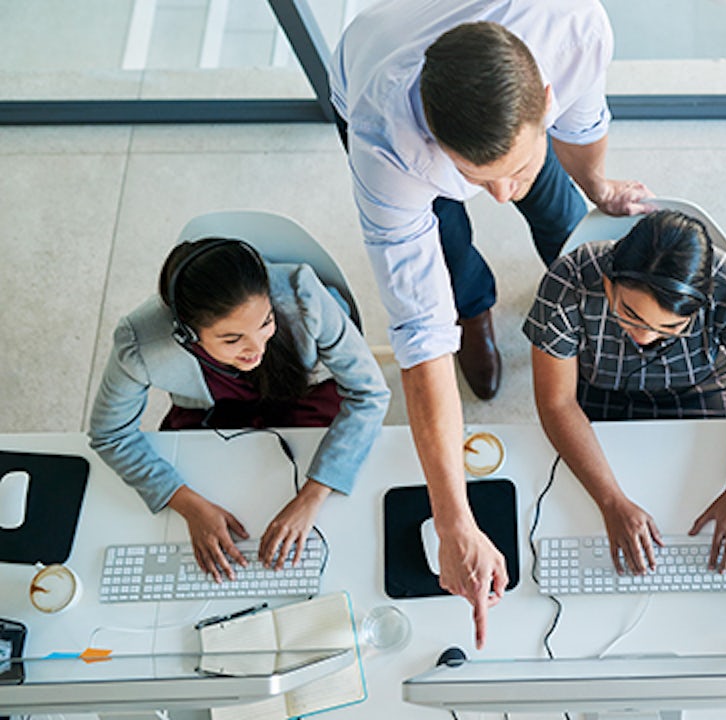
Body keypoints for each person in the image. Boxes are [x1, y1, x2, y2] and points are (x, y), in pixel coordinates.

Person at [329, 0, 651, 646]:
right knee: (448, 248)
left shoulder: (575, 29)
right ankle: (476, 311)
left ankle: (564, 278)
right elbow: (420, 341)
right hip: (371, 66)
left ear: (547, 96)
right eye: (483, 179)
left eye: (514, 172)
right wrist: (454, 523)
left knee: (564, 221)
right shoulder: (383, 140)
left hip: (508, 83)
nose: (500, 195)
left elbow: (583, 123)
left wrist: (595, 185)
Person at [89, 238, 390, 582]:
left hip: (302, 395)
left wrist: (311, 496)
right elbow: (110, 433)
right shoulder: (139, 343)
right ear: (187, 334)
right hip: (215, 410)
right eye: (232, 340)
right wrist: (188, 504)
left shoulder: (301, 293)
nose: (256, 348)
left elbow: (370, 393)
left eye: (266, 323)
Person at [524, 210, 726, 574]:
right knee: (578, 513)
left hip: (700, 387)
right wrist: (611, 501)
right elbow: (556, 401)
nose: (644, 336)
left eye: (670, 327)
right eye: (630, 314)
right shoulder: (568, 282)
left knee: (704, 493)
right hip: (601, 391)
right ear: (608, 282)